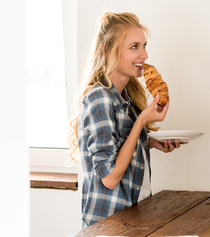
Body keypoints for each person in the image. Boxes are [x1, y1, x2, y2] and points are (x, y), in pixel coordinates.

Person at [68, 12, 181, 228]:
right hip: (108, 229)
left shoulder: (126, 97)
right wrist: (140, 123)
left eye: (144, 45)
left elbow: (117, 145)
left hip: (132, 224)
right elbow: (109, 178)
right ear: (108, 50)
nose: (144, 54)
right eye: (134, 47)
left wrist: (150, 143)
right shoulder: (99, 99)